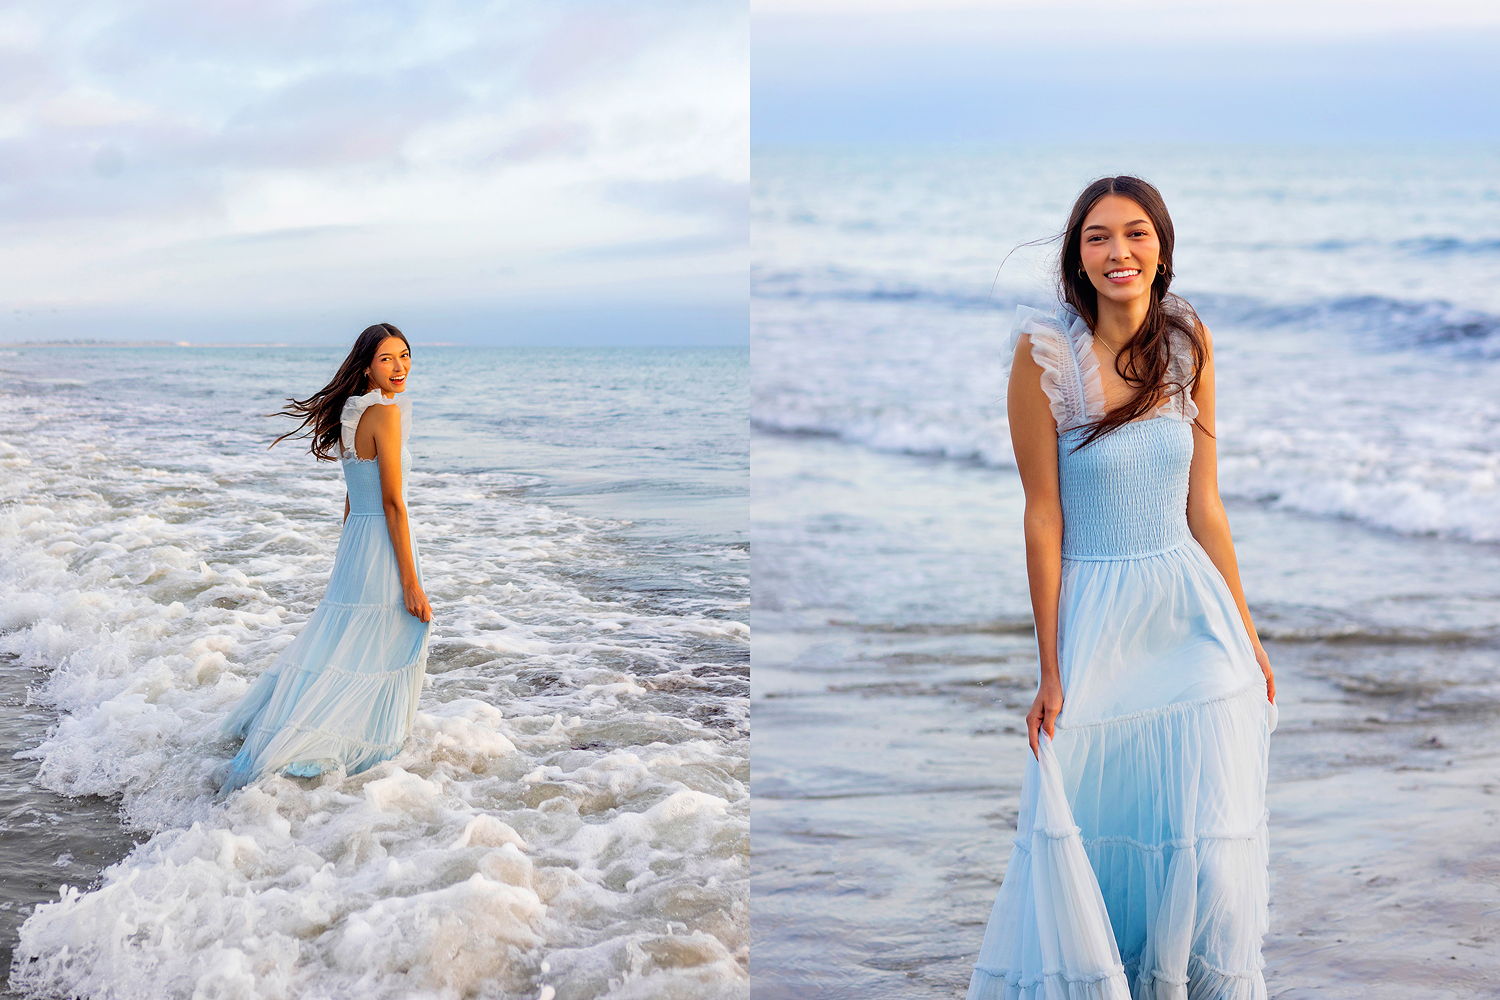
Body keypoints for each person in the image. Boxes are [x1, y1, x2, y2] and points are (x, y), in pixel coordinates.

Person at [967, 177, 1277, 999]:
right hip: (1098, 615)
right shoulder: (1046, 360)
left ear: (1161, 248)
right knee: (1101, 830)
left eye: (1135, 234)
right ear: (1078, 255)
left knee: (1202, 843)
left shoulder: (1189, 346)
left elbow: (1205, 505)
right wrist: (1051, 669)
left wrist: (1245, 630)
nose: (1119, 252)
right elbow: (1042, 518)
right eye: (1099, 237)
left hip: (1188, 614)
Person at [218, 323, 433, 795]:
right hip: (382, 540)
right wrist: (411, 582)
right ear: (366, 366)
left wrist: (349, 552)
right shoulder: (386, 415)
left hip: (358, 541)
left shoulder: (351, 414)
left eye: (405, 355)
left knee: (342, 644)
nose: (399, 367)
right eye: (387, 359)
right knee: (386, 642)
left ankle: (305, 729)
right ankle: (358, 747)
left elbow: (354, 498)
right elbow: (393, 503)